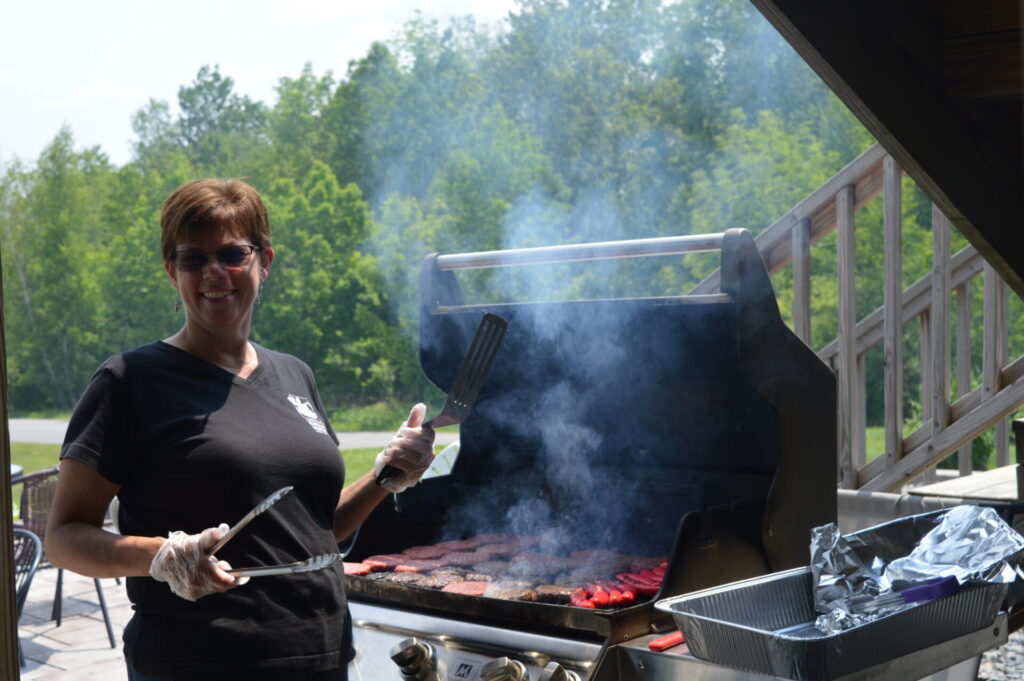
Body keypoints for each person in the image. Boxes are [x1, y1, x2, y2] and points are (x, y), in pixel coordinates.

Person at [45, 178, 436, 681]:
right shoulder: (129, 382)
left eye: (233, 253)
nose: (214, 272)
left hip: (321, 653)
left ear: (264, 262)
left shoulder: (295, 373)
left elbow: (311, 528)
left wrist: (386, 476)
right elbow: (62, 538)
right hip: (198, 662)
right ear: (172, 271)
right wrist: (159, 556)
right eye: (192, 258)